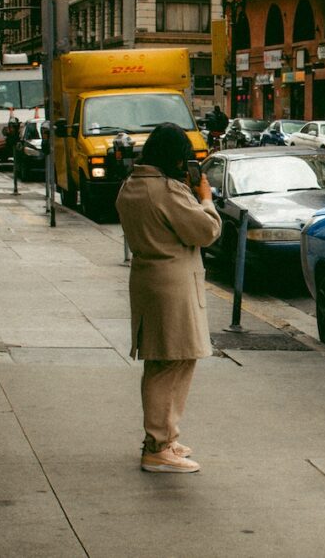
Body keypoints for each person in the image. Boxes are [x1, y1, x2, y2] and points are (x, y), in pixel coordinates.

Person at [115, 123, 222, 474]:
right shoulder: (165, 190)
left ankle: (164, 437)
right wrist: (204, 197)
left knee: (168, 360)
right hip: (172, 285)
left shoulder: (131, 185)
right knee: (171, 363)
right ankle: (158, 446)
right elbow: (206, 231)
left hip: (149, 280)